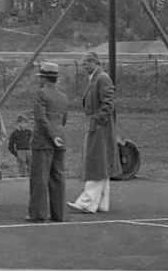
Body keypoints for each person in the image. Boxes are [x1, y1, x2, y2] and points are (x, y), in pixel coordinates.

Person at [69, 52, 120, 214]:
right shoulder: (96, 78)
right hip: (96, 124)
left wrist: (98, 119)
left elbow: (109, 100)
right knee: (101, 162)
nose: (84, 67)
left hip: (99, 126)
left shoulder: (102, 78)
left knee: (95, 162)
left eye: (85, 64)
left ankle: (86, 201)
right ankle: (101, 203)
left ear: (93, 62)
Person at [26, 62, 67, 223]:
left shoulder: (40, 94)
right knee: (58, 177)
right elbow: (63, 119)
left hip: (43, 141)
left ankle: (39, 213)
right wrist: (57, 136)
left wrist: (51, 136)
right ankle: (59, 214)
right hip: (61, 139)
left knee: (40, 177)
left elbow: (41, 119)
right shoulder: (63, 97)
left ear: (44, 78)